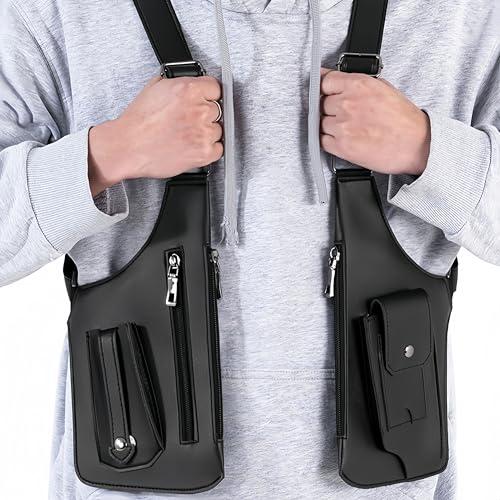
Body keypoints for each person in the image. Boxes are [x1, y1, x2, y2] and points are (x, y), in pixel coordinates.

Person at [0, 0, 499, 498]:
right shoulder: (57, 11)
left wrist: (426, 149)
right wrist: (109, 153)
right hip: (138, 470)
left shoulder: (466, 14)